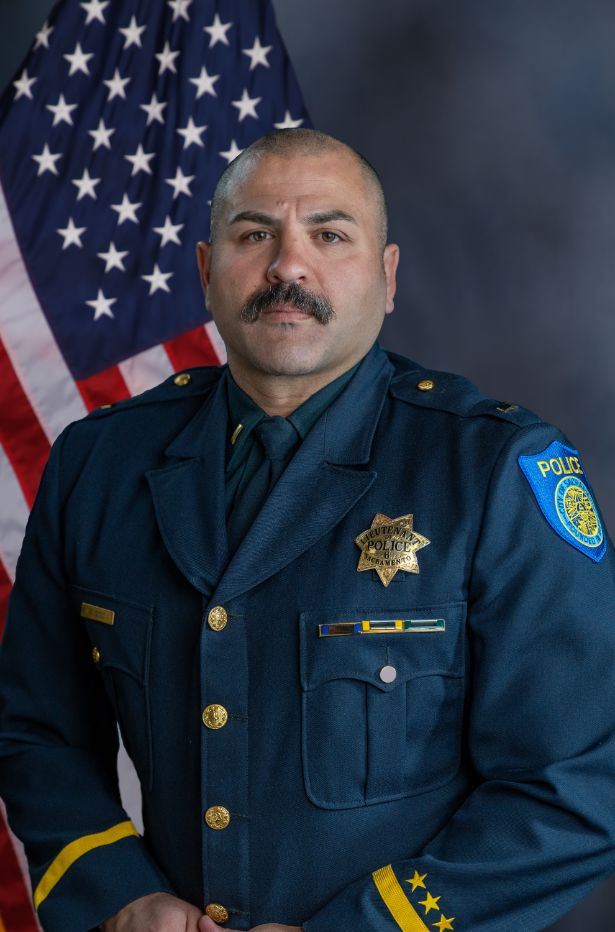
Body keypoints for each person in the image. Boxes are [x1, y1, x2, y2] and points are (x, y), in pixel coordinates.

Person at [1, 128, 615, 932]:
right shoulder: (101, 464)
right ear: (206, 274)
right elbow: (36, 727)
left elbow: (577, 781)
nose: (289, 266)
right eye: (254, 234)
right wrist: (119, 894)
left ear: (386, 277)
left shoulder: (493, 471)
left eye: (329, 234)